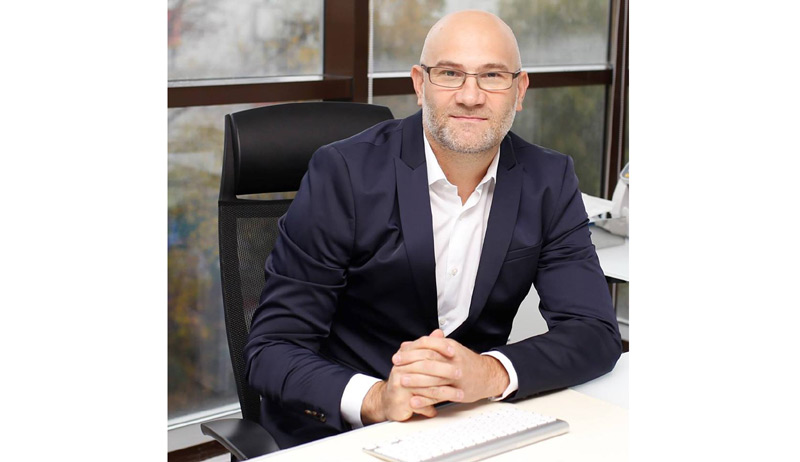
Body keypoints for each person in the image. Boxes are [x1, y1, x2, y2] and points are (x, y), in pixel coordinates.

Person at [244, 10, 621, 449]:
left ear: (519, 91)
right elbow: (272, 349)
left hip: (468, 427)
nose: (470, 96)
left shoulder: (548, 180)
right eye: (450, 73)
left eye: (492, 76)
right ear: (420, 84)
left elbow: (593, 331)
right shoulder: (343, 173)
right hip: (342, 434)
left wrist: (490, 373)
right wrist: (378, 398)